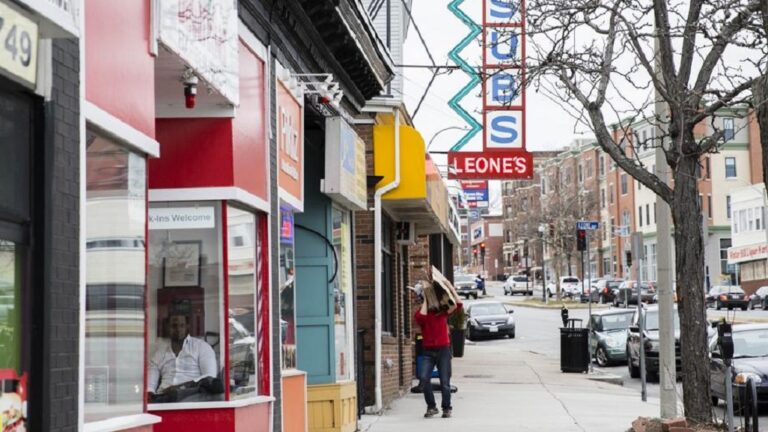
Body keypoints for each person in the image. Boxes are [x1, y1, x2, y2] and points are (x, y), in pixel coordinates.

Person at [148, 313, 219, 402]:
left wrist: (181, 387)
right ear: (167, 328)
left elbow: (210, 377)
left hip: (191, 398)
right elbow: (150, 382)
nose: (178, 329)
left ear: (187, 327)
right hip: (163, 398)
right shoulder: (160, 352)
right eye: (174, 326)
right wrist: (149, 393)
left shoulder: (201, 347)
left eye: (182, 325)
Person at [414, 289, 463, 419]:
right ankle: (432, 406)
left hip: (443, 350)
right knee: (424, 379)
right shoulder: (420, 314)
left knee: (445, 382)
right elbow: (422, 318)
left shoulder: (442, 312)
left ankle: (447, 408)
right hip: (428, 352)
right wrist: (425, 298)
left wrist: (448, 286)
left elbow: (458, 304)